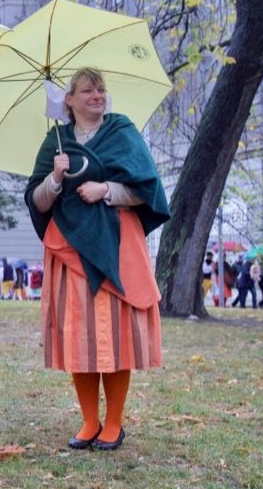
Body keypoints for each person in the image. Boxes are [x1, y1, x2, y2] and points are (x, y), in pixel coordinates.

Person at [26, 67, 169, 451]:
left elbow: (148, 190)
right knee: (80, 338)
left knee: (116, 337)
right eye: (88, 90)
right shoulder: (55, 142)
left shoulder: (122, 132)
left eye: (101, 89)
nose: (97, 96)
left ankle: (114, 422)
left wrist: (105, 189)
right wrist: (55, 179)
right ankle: (90, 420)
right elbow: (37, 202)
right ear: (69, 100)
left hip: (117, 244)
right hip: (70, 250)